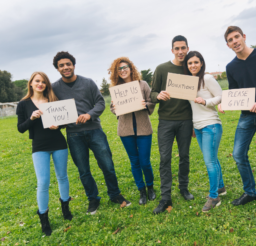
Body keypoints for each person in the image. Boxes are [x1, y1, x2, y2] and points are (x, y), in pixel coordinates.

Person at [52, 51, 130, 214]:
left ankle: (115, 195)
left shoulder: (88, 83)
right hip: (74, 134)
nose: (66, 67)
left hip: (94, 130)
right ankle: (93, 199)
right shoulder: (54, 89)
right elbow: (53, 110)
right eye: (61, 65)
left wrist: (89, 115)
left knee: (107, 165)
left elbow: (100, 103)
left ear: (73, 65)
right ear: (57, 69)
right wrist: (59, 123)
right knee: (83, 170)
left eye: (68, 64)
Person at [218, 26, 256, 211]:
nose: (235, 41)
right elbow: (235, 93)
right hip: (246, 116)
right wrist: (224, 103)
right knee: (238, 154)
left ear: (244, 37)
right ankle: (250, 192)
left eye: (237, 37)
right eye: (230, 40)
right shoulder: (231, 67)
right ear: (228, 45)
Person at [16, 72, 72, 236]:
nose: (40, 84)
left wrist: (59, 126)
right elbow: (20, 128)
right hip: (39, 146)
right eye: (37, 81)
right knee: (43, 182)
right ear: (31, 84)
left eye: (43, 82)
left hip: (59, 143)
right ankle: (44, 218)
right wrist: (32, 118)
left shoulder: (53, 101)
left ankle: (66, 209)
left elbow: (65, 120)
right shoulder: (23, 104)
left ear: (47, 85)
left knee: (62, 177)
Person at [150, 35, 194, 214]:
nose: (181, 51)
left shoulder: (191, 67)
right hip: (166, 122)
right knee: (165, 159)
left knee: (184, 156)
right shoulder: (162, 69)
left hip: (186, 121)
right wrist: (157, 96)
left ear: (187, 48)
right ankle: (165, 196)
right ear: (172, 50)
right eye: (177, 48)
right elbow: (152, 93)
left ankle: (184, 188)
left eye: (183, 48)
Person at [108, 57, 156, 205]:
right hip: (125, 130)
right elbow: (112, 107)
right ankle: (141, 190)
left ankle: (150, 187)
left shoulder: (143, 85)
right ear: (116, 72)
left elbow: (152, 101)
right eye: (119, 69)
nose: (123, 70)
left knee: (145, 162)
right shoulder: (116, 89)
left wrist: (145, 104)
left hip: (143, 129)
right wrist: (115, 108)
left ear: (131, 68)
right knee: (134, 162)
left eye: (125, 67)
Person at [183, 51, 226, 213]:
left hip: (211, 125)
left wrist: (206, 101)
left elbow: (221, 96)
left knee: (210, 162)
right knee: (212, 159)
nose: (193, 65)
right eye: (189, 63)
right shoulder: (188, 83)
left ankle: (214, 196)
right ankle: (220, 187)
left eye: (196, 62)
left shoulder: (207, 78)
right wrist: (193, 125)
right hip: (198, 126)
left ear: (201, 63)